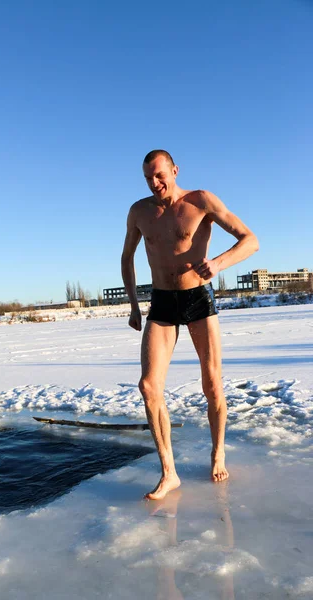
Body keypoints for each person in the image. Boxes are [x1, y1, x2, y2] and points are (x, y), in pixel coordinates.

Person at [121, 149, 259, 500]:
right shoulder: (140, 212)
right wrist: (135, 305)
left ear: (174, 170)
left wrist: (218, 263)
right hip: (163, 302)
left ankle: (217, 453)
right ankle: (169, 472)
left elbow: (250, 240)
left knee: (212, 386)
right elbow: (127, 257)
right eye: (148, 178)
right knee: (149, 387)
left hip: (199, 300)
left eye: (159, 175)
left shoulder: (201, 201)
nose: (155, 183)